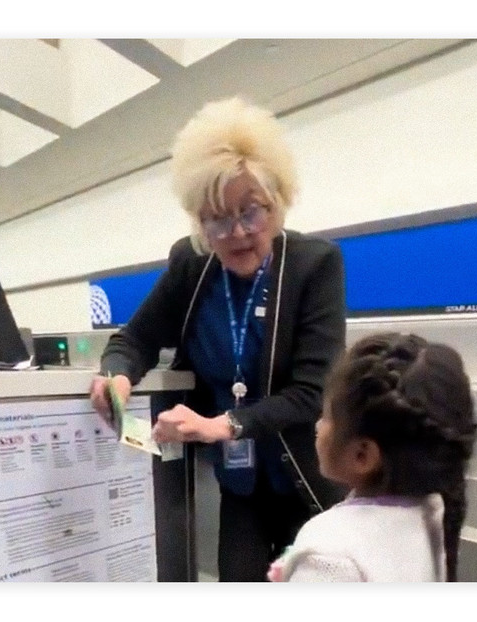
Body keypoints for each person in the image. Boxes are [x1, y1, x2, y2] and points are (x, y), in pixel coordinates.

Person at [88, 96, 348, 582]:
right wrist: (117, 376)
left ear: (277, 202)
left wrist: (221, 425)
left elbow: (312, 392)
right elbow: (135, 338)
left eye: (250, 212)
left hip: (306, 482)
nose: (236, 233)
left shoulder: (314, 264)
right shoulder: (192, 265)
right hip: (241, 486)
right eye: (217, 218)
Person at [267, 332, 477, 582]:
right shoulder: (433, 510)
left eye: (327, 416)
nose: (317, 426)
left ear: (362, 455)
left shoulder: (330, 556)